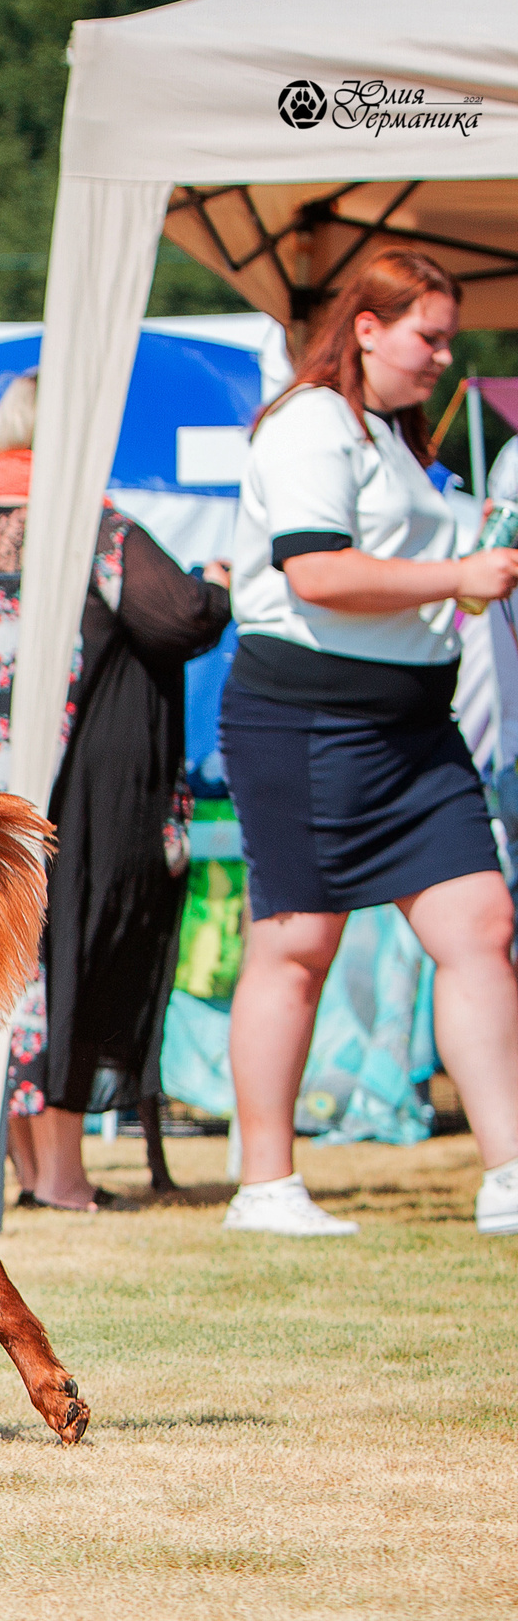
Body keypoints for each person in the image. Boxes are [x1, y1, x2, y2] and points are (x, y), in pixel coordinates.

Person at [216, 248, 518, 1238]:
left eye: (447, 339)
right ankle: (265, 1187)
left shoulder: (387, 434)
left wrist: (465, 567)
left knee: (478, 925)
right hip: (302, 719)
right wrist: (458, 573)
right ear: (365, 329)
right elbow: (316, 574)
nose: (441, 358)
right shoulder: (307, 424)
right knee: (296, 942)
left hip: (414, 729)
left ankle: (508, 1173)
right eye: (428, 337)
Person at [0, 370, 231, 1209]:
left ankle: (37, 1170)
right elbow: (179, 616)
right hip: (62, 794)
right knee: (62, 958)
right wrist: (216, 578)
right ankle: (63, 1175)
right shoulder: (94, 534)